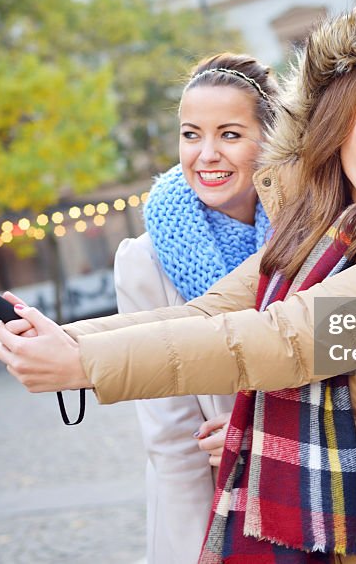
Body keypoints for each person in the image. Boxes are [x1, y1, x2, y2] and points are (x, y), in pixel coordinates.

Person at [0, 8, 356, 562]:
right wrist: (68, 339)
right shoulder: (323, 227)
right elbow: (211, 313)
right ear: (334, 113)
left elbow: (290, 338)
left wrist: (86, 366)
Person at [115, 53, 275, 564]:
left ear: (270, 140)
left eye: (229, 134)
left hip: (310, 485)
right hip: (215, 509)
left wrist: (261, 433)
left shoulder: (312, 234)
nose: (206, 154)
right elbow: (171, 437)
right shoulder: (145, 261)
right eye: (191, 134)